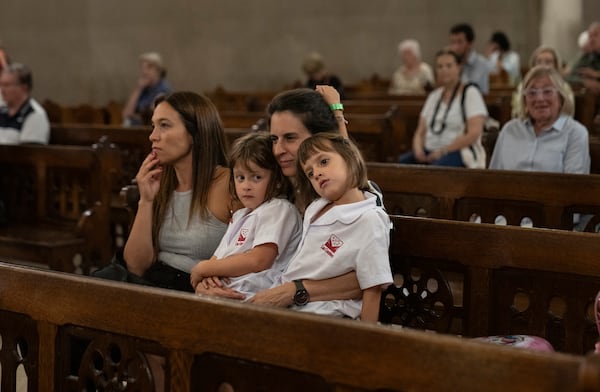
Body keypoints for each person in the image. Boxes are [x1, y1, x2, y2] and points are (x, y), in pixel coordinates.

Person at [272, 132, 392, 322]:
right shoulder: (316, 208)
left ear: (350, 159)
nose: (317, 173)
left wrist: (367, 344)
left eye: (324, 162)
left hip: (328, 312)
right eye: (310, 173)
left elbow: (373, 288)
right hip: (293, 302)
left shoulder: (369, 219)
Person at [121, 91, 233, 292]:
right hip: (153, 283)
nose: (153, 136)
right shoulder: (160, 182)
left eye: (164, 125)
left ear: (195, 132)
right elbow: (136, 266)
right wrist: (145, 201)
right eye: (153, 125)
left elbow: (255, 256)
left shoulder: (229, 183)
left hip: (197, 289)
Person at [190, 132, 302, 299]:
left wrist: (202, 269)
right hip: (225, 293)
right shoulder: (240, 215)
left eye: (256, 177)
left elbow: (259, 260)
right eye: (240, 178)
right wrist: (206, 281)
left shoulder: (279, 208)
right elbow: (217, 259)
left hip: (253, 296)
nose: (246, 186)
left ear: (278, 180)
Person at [490, 66, 589, 174]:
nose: (539, 98)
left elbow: (575, 185)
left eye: (547, 91)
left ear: (560, 97)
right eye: (532, 92)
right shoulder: (510, 130)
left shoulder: (575, 133)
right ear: (525, 99)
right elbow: (494, 178)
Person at [398, 49, 487, 167]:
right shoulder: (434, 96)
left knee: (435, 170)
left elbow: (474, 133)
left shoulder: (470, 93)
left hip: (457, 150)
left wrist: (443, 151)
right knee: (400, 164)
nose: (444, 70)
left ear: (459, 67)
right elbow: (420, 131)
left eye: (449, 66)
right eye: (440, 66)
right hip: (429, 150)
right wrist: (418, 150)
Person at [512, 46, 574, 118]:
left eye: (548, 62)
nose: (543, 65)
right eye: (539, 61)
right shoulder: (523, 86)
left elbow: (568, 113)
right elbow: (518, 112)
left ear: (556, 65)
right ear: (533, 65)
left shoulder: (564, 87)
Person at [0, 63, 50, 145]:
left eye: (7, 85)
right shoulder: (2, 109)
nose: (2, 90)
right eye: (1, 85)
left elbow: (29, 153)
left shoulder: (35, 115)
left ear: (24, 88)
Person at [122, 52, 173, 126]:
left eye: (149, 67)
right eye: (142, 68)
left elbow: (151, 118)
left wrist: (134, 116)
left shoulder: (164, 89)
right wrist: (138, 88)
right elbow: (126, 114)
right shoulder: (143, 88)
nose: (144, 72)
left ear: (158, 70)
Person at [449, 23, 494, 94]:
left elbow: (471, 87)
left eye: (459, 42)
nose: (455, 47)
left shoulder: (481, 63)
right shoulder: (453, 63)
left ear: (470, 43)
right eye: (453, 42)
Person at [568, 21, 600, 95]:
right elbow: (569, 76)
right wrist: (584, 82)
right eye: (590, 36)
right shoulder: (587, 56)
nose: (592, 39)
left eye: (595, 35)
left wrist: (596, 75)